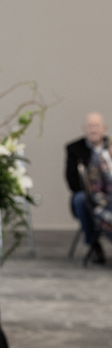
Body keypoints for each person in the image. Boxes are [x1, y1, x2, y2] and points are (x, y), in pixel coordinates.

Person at [65, 112, 108, 263]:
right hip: (89, 195)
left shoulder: (111, 147)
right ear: (84, 129)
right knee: (80, 200)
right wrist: (95, 191)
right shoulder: (74, 148)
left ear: (104, 129)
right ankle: (93, 243)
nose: (93, 130)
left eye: (96, 126)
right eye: (90, 126)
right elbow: (72, 180)